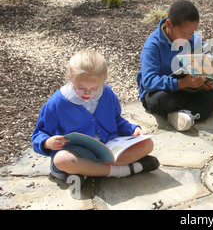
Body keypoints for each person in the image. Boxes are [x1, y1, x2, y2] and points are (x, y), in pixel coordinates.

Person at [32, 50, 158, 182]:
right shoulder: (57, 102)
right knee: (62, 160)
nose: (87, 93)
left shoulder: (107, 93)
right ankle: (123, 170)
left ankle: (87, 171)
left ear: (103, 81)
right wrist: (46, 143)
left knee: (147, 144)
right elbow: (39, 133)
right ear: (70, 77)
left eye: (94, 89)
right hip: (77, 152)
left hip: (109, 146)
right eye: (80, 88)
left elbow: (116, 120)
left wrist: (133, 129)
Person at [136, 0, 213, 131]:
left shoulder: (193, 39)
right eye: (183, 33)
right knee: (161, 100)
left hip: (188, 89)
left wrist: (209, 80)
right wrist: (181, 83)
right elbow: (148, 81)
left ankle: (182, 114)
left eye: (191, 33)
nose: (188, 37)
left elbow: (210, 60)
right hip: (163, 92)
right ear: (169, 24)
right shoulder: (153, 45)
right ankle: (199, 110)